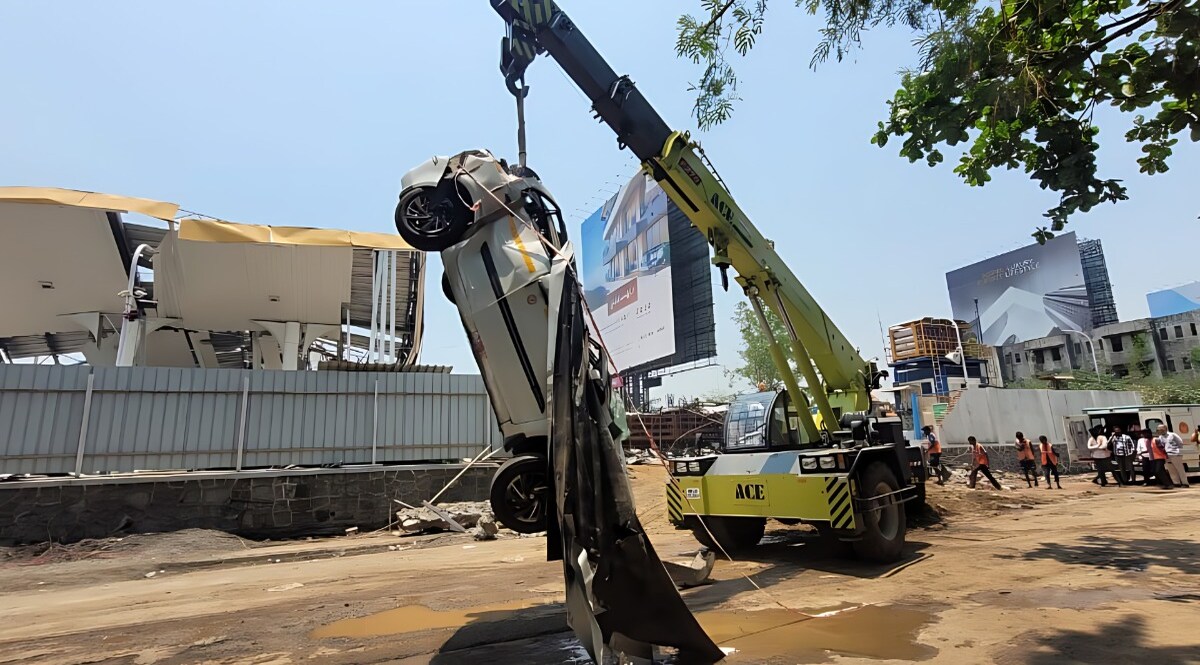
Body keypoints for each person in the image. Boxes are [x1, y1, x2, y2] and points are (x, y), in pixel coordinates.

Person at [1156, 424, 1191, 489]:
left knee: (1180, 469)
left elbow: (1180, 443)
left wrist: (1175, 449)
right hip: (1166, 455)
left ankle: (1185, 483)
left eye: (1159, 430)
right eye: (1158, 430)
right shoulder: (1160, 437)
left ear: (1165, 429)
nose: (1158, 431)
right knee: (1171, 469)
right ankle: (1176, 483)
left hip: (1175, 454)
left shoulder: (1172, 435)